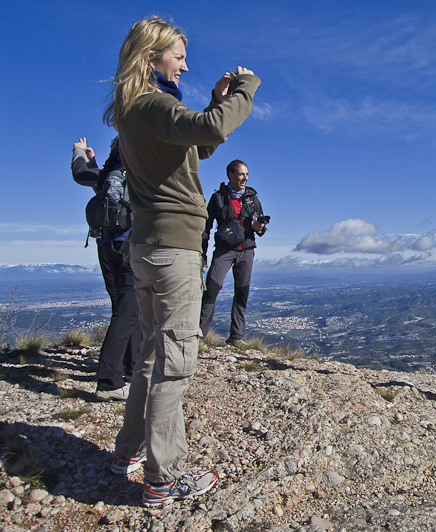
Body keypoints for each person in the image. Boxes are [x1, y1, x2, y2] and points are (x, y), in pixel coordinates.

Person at [103, 15, 260, 507]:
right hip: (173, 252)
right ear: (151, 58)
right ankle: (162, 478)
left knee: (152, 355)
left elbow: (203, 144)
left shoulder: (138, 110)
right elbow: (214, 128)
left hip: (148, 247)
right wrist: (245, 89)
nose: (185, 65)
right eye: (178, 56)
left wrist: (215, 100)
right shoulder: (153, 105)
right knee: (174, 363)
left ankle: (126, 452)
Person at [71, 136, 140, 401]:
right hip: (129, 247)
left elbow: (81, 174)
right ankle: (109, 381)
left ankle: (131, 367)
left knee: (124, 309)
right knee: (128, 312)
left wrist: (81, 155)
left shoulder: (108, 173)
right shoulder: (137, 169)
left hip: (106, 247)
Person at [199, 159, 268, 344]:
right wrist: (202, 254)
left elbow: (261, 230)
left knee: (242, 292)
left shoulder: (253, 199)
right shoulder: (218, 198)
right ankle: (199, 334)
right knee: (212, 289)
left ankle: (237, 337)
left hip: (246, 250)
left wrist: (258, 227)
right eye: (240, 174)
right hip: (224, 250)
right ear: (230, 175)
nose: (244, 178)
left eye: (246, 174)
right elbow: (205, 228)